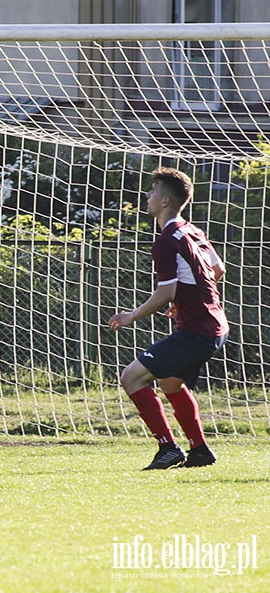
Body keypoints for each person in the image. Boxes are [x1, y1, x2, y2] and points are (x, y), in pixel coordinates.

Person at [109, 167, 229, 470]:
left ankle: (168, 448)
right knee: (169, 382)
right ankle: (199, 450)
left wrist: (130, 316)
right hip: (214, 324)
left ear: (164, 201)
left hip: (198, 329)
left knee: (131, 377)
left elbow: (165, 292)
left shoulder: (165, 241)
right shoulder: (193, 231)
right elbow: (218, 270)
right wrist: (188, 299)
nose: (147, 196)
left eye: (152, 190)